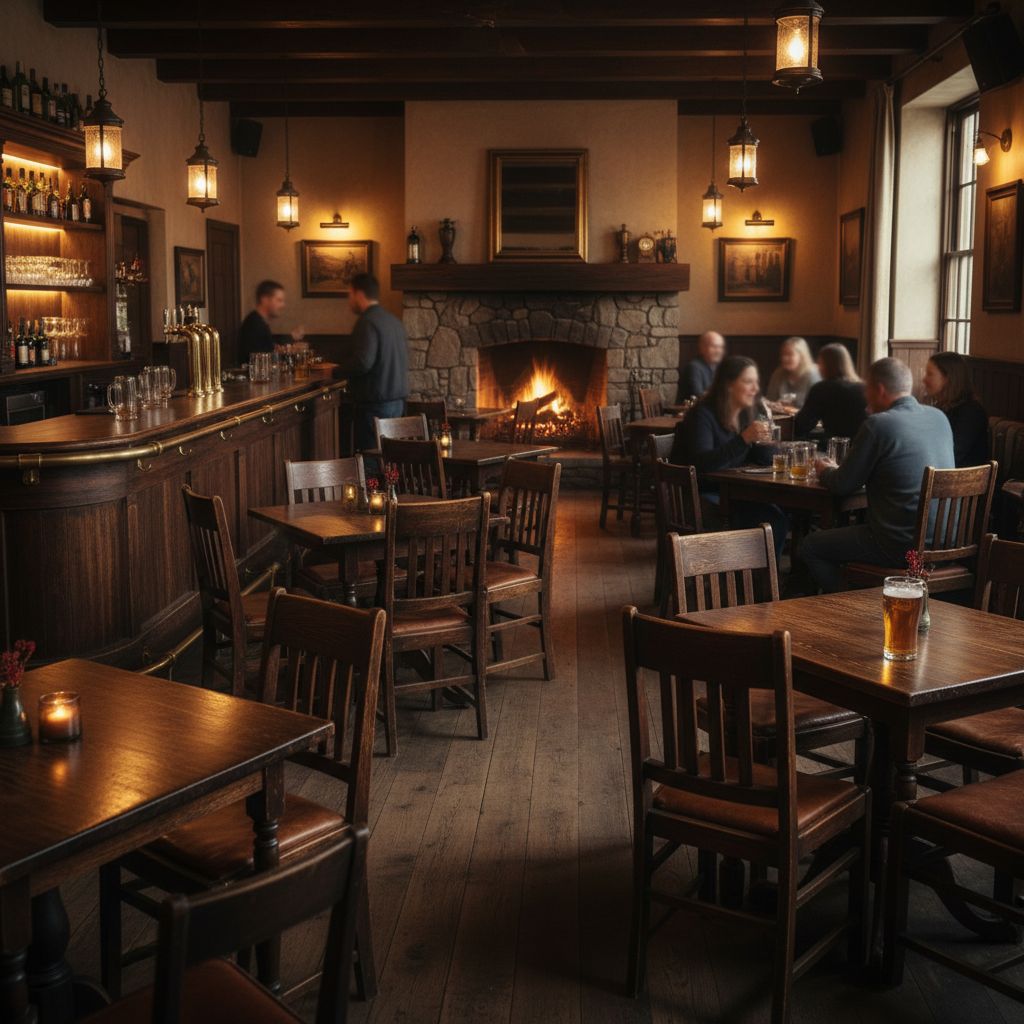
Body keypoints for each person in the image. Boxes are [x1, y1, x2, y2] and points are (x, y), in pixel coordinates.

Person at [800, 357, 955, 593]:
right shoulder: (939, 418)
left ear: (879, 389)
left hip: (900, 546)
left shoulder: (878, 425)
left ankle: (847, 607)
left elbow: (842, 485)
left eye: (867, 390)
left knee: (811, 546)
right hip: (948, 541)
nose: (865, 397)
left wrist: (825, 469)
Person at [671, 355, 788, 561]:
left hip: (732, 491)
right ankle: (759, 582)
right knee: (772, 519)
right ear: (728, 385)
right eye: (748, 381)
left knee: (785, 512)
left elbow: (763, 457)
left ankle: (759, 579)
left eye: (756, 382)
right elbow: (701, 464)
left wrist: (767, 437)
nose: (755, 388)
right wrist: (743, 439)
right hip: (699, 494)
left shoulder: (746, 412)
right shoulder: (702, 414)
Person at [333, 273, 409, 455]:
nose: (349, 300)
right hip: (398, 402)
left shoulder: (367, 322)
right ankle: (389, 485)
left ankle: (373, 485)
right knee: (390, 458)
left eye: (349, 295)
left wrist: (334, 372)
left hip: (375, 404)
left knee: (371, 460)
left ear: (359, 294)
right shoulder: (394, 321)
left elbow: (363, 362)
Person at [922, 351, 990, 467]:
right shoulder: (941, 408)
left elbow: (952, 455)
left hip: (963, 481)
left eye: (930, 374)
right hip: (939, 474)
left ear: (947, 378)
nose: (924, 379)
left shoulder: (971, 412)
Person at [794, 342, 867, 442]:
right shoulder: (863, 387)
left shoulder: (822, 389)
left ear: (825, 365)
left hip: (834, 448)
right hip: (863, 447)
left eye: (820, 363)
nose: (818, 368)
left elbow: (801, 426)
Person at [237, 280, 304, 356]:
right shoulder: (254, 324)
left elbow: (268, 348)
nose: (283, 305)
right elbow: (262, 357)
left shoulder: (258, 321)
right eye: (279, 300)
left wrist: (291, 338)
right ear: (265, 300)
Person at [765, 336, 820, 410]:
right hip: (779, 418)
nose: (784, 358)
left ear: (802, 357)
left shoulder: (813, 375)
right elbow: (770, 400)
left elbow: (817, 407)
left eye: (789, 354)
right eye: (783, 354)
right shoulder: (778, 373)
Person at [680, 330, 725, 399]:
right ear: (702, 348)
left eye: (720, 347)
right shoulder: (694, 367)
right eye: (714, 346)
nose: (718, 351)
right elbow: (698, 395)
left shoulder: (717, 367)